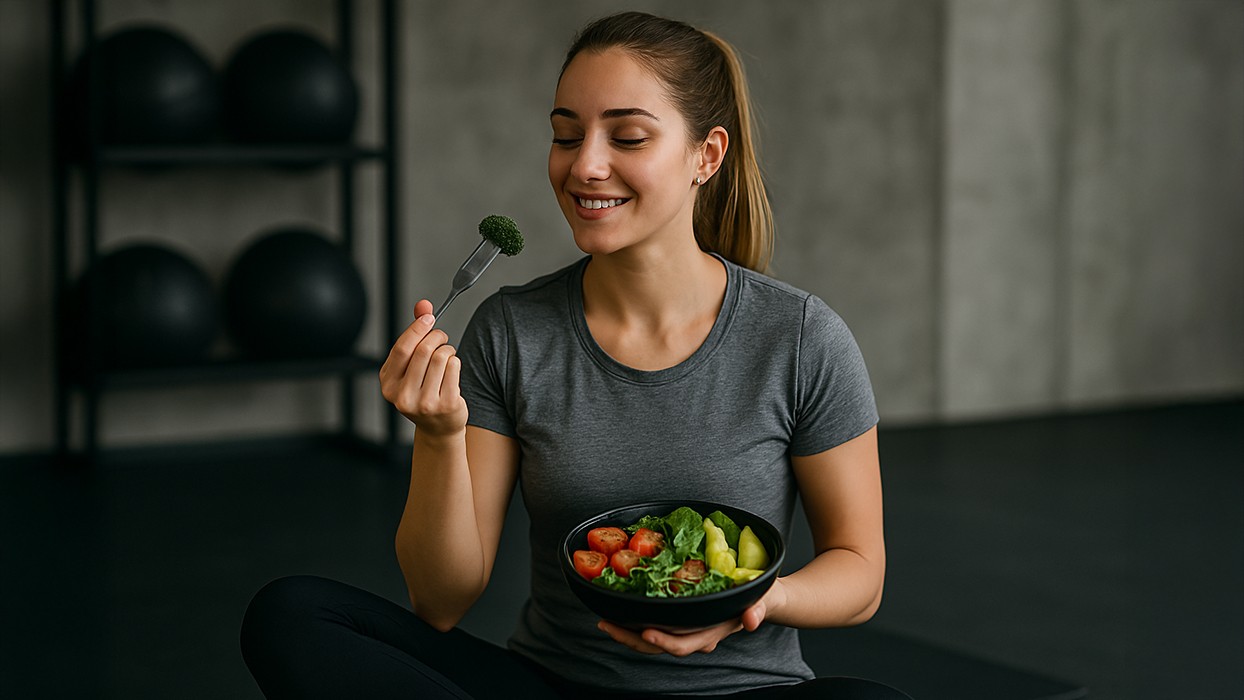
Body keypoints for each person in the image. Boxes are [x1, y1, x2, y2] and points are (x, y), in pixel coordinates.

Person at [241, 11, 907, 699]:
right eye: (566, 135)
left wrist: (752, 606)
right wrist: (437, 437)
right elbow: (440, 602)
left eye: (627, 137)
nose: (584, 165)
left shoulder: (800, 337)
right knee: (292, 614)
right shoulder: (512, 330)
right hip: (553, 687)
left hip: (740, 693)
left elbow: (860, 572)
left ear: (706, 157)